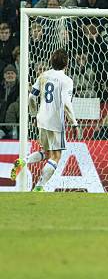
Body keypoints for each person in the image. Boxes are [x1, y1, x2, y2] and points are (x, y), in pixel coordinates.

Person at [11, 50, 79, 191]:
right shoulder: (67, 80)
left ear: (51, 61)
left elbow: (31, 97)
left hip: (42, 119)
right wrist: (74, 123)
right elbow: (66, 103)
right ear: (66, 63)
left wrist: (35, 113)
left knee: (47, 153)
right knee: (56, 156)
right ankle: (40, 187)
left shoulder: (43, 75)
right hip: (55, 121)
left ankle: (23, 161)